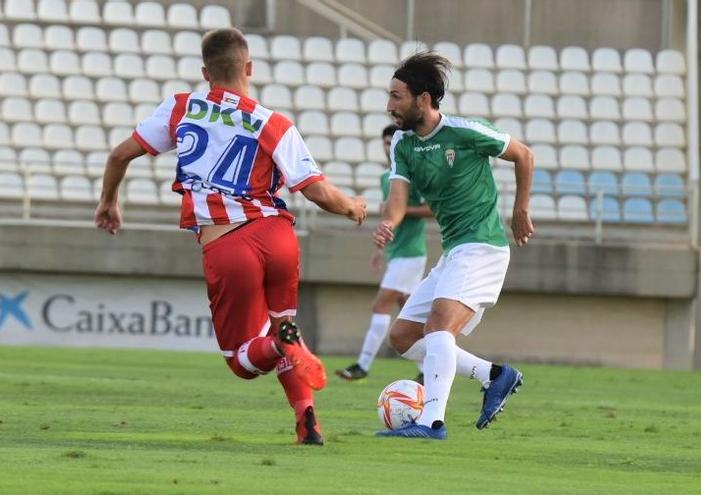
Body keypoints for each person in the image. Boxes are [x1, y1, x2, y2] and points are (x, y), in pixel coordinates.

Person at [94, 28, 367, 446]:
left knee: (243, 362)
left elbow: (119, 155)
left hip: (228, 245)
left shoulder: (181, 107)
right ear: (250, 68)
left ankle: (281, 344)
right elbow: (316, 191)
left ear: (206, 72)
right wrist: (353, 207)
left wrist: (109, 202)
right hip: (278, 238)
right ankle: (307, 420)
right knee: (283, 329)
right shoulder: (274, 123)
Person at [373, 51, 534, 440]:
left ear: (423, 99)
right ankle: (494, 375)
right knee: (403, 337)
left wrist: (519, 210)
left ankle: (431, 422)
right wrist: (389, 224)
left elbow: (523, 155)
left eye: (397, 97)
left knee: (439, 326)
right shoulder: (403, 145)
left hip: (483, 247)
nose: (390, 105)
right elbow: (398, 199)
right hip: (454, 252)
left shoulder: (465, 131)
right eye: (389, 96)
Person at [335, 124, 432, 383]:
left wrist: (401, 209)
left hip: (411, 252)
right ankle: (428, 368)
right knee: (408, 313)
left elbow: (432, 209)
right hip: (396, 252)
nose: (389, 147)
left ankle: (363, 365)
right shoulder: (384, 177)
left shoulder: (414, 175)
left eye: (393, 142)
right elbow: (390, 217)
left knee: (381, 305)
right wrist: (380, 249)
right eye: (386, 143)